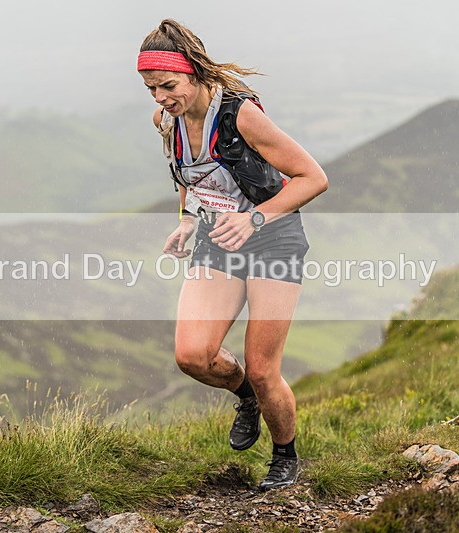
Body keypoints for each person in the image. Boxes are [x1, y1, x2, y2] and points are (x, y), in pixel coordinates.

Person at [137, 19, 328, 491]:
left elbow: (313, 178)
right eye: (150, 88)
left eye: (168, 85)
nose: (160, 98)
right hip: (218, 240)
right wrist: (185, 220)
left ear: (195, 73)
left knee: (265, 370)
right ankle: (244, 396)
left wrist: (255, 218)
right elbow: (187, 176)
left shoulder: (241, 115)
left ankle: (285, 457)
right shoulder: (167, 119)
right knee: (192, 356)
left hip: (271, 241)